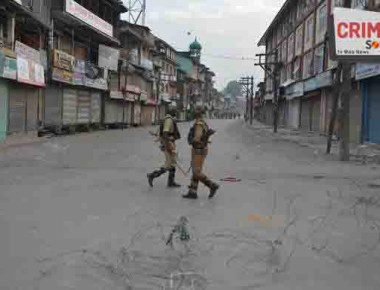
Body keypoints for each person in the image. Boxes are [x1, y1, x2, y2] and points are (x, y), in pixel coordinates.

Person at [183, 107, 220, 200]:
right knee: (196, 170)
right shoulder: (203, 123)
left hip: (198, 150)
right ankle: (193, 191)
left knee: (196, 172)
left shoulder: (199, 124)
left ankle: (212, 185)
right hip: (201, 149)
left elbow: (197, 138)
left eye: (195, 111)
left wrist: (192, 141)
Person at [147, 105, 181, 188]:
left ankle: (171, 181)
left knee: (173, 162)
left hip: (168, 142)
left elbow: (161, 133)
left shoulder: (166, 119)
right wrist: (168, 145)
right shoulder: (169, 120)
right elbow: (165, 133)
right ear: (172, 112)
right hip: (168, 143)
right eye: (174, 111)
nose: (176, 112)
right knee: (169, 163)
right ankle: (152, 175)